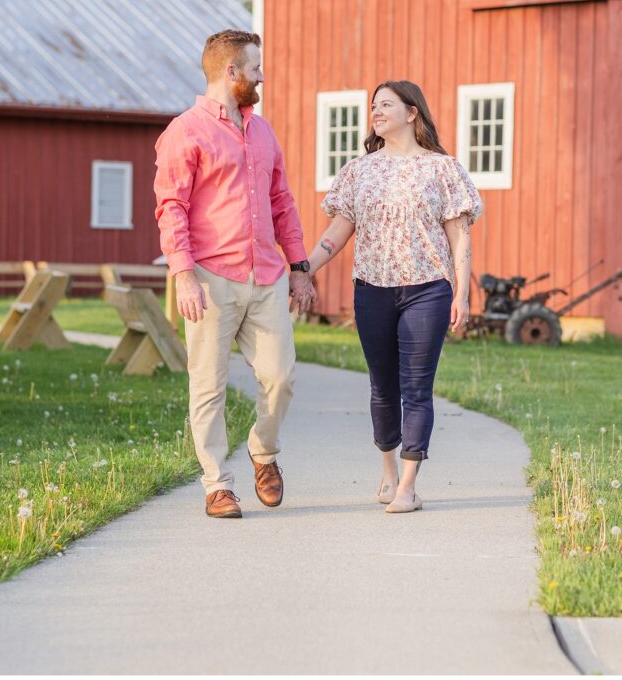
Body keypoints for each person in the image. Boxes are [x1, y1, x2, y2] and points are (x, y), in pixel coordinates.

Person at [154, 30, 315, 519]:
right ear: (231, 72)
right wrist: (183, 274)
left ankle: (263, 452)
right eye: (255, 67)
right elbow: (171, 207)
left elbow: (281, 200)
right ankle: (216, 484)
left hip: (265, 274)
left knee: (280, 376)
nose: (262, 75)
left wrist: (300, 266)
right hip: (209, 277)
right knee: (208, 385)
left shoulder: (262, 131)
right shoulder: (186, 131)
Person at [306, 80, 482, 513]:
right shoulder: (358, 170)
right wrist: (304, 268)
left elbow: (458, 235)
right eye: (373, 106)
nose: (376, 112)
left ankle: (408, 486)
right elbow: (338, 231)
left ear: (412, 113)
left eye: (386, 105)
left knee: (416, 390)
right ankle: (387, 472)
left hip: (428, 291)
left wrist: (461, 291)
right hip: (372, 290)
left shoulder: (443, 169)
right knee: (382, 389)